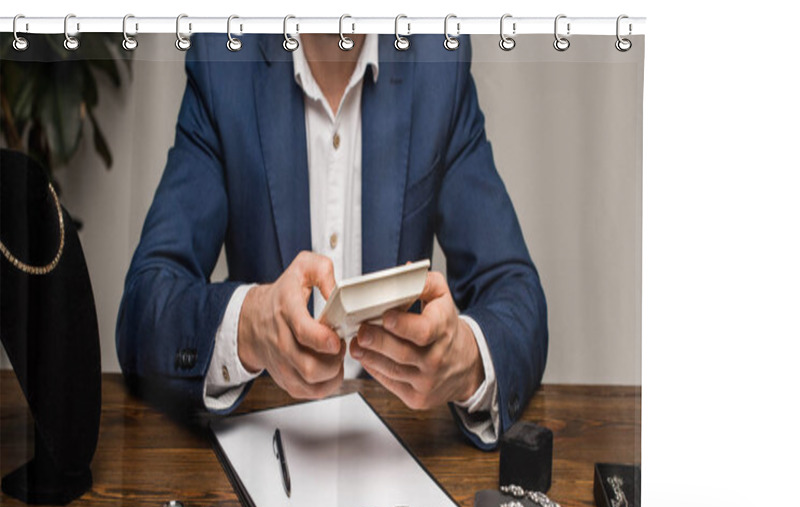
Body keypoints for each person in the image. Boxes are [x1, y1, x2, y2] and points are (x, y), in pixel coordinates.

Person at [116, 33, 547, 449]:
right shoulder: (223, 59)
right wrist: (250, 326)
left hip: (400, 448)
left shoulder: (438, 61)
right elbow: (145, 306)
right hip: (265, 446)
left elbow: (516, 293)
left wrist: (465, 360)